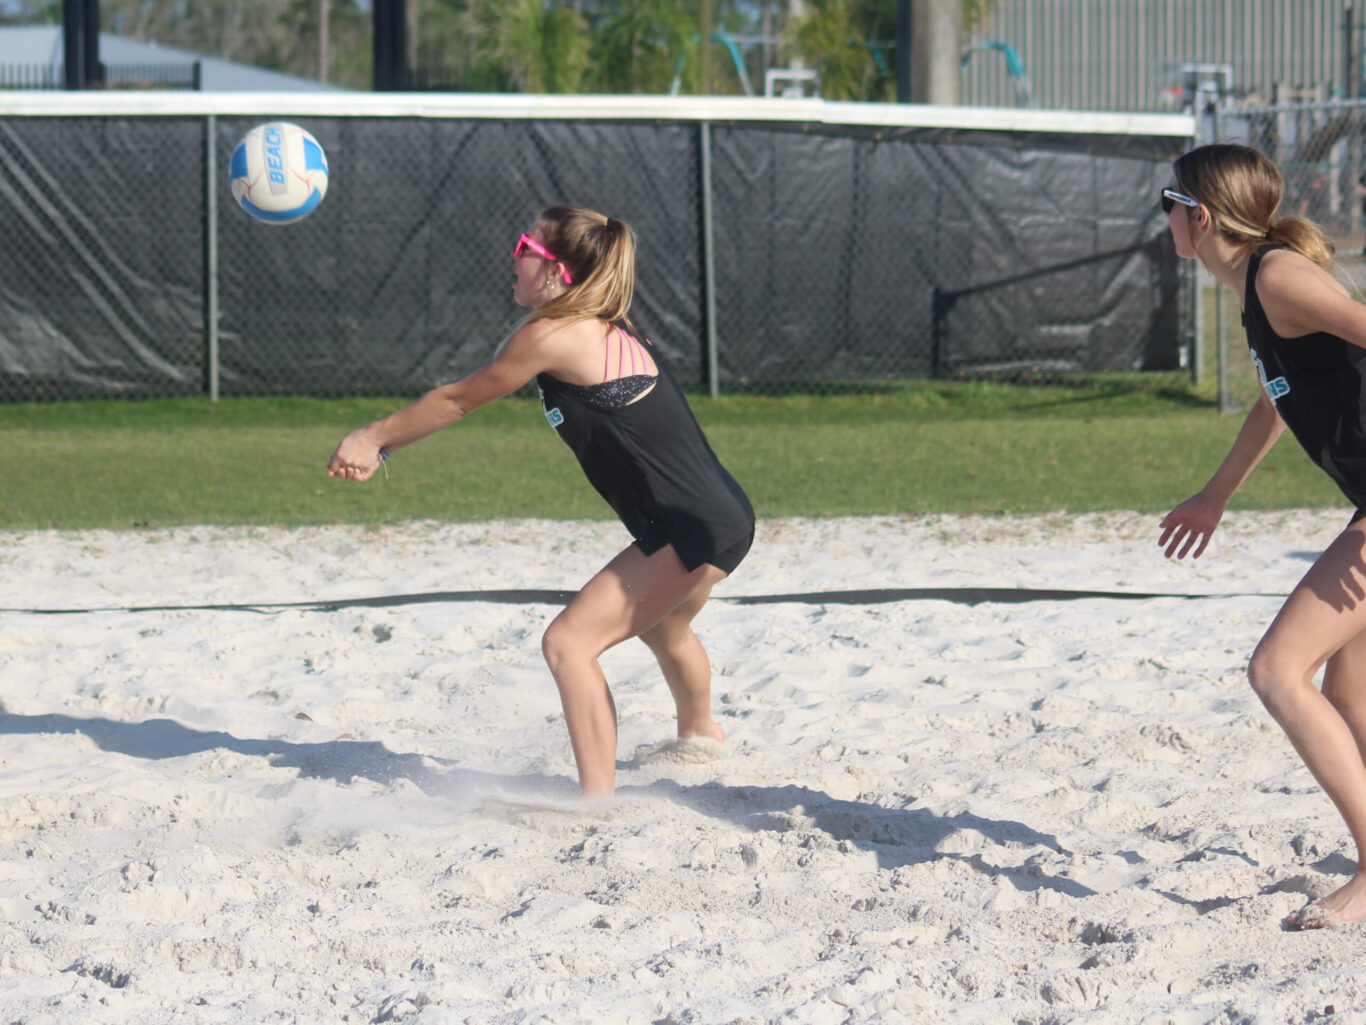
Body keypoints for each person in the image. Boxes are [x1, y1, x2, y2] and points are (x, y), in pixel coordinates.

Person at [326, 206, 754, 798]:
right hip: (720, 513)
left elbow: (457, 400)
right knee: (666, 626)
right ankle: (701, 737)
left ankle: (597, 802)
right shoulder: (603, 319)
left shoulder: (553, 336)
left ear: (556, 272)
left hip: (692, 526)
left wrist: (374, 438)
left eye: (525, 244)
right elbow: (602, 231)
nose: (513, 254)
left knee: (568, 644)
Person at [1157, 143, 1366, 928]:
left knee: (1277, 670)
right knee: (1346, 689)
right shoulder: (1259, 286)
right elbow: (1277, 399)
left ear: (1200, 216)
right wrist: (1214, 497)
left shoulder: (1277, 275)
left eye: (1167, 200)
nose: (1165, 216)